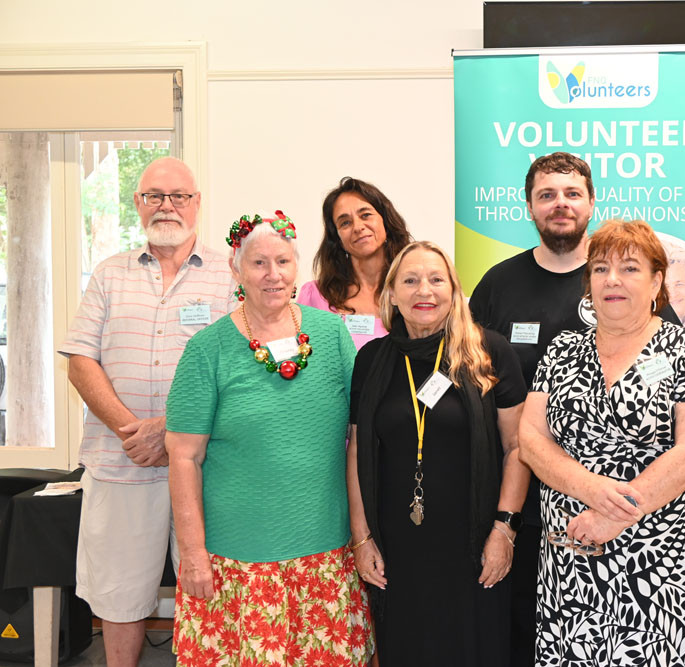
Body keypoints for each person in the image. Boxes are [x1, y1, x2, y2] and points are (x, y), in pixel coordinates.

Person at [468, 152, 679, 665]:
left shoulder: (626, 281)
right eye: (547, 195)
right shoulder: (497, 284)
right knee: (532, 628)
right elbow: (467, 378)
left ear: (590, 202)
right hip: (521, 491)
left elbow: (672, 374)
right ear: (529, 207)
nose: (559, 205)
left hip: (622, 507)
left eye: (571, 194)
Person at [166, 212, 372, 666]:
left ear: (297, 267)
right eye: (259, 263)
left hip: (325, 557)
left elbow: (361, 435)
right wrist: (193, 553)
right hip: (235, 564)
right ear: (236, 270)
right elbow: (182, 457)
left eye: (283, 261)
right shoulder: (207, 350)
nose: (273, 274)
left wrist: (361, 535)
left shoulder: (333, 334)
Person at [519, 219, 685, 666]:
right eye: (600, 269)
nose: (612, 279)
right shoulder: (560, 351)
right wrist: (595, 494)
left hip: (663, 563)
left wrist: (617, 513)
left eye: (629, 268)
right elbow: (531, 439)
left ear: (656, 282)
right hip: (573, 556)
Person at [58, 157, 234, 667]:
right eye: (154, 195)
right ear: (138, 204)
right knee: (118, 594)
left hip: (206, 467)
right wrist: (132, 431)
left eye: (178, 195)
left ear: (197, 203)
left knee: (210, 587)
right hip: (120, 462)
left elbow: (240, 364)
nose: (167, 205)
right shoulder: (109, 274)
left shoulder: (230, 273)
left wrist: (171, 429)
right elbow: (81, 361)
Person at [348, 241, 529, 666]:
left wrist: (505, 530)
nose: (423, 291)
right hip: (398, 548)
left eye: (435, 280)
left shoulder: (489, 351)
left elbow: (517, 447)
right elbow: (357, 449)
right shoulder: (372, 359)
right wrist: (361, 537)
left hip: (475, 543)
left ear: (453, 290)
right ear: (390, 294)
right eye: (409, 281)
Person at [298, 176, 413, 349]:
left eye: (365, 215)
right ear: (337, 238)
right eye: (345, 222)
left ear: (386, 221)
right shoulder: (315, 296)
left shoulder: (412, 290)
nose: (358, 227)